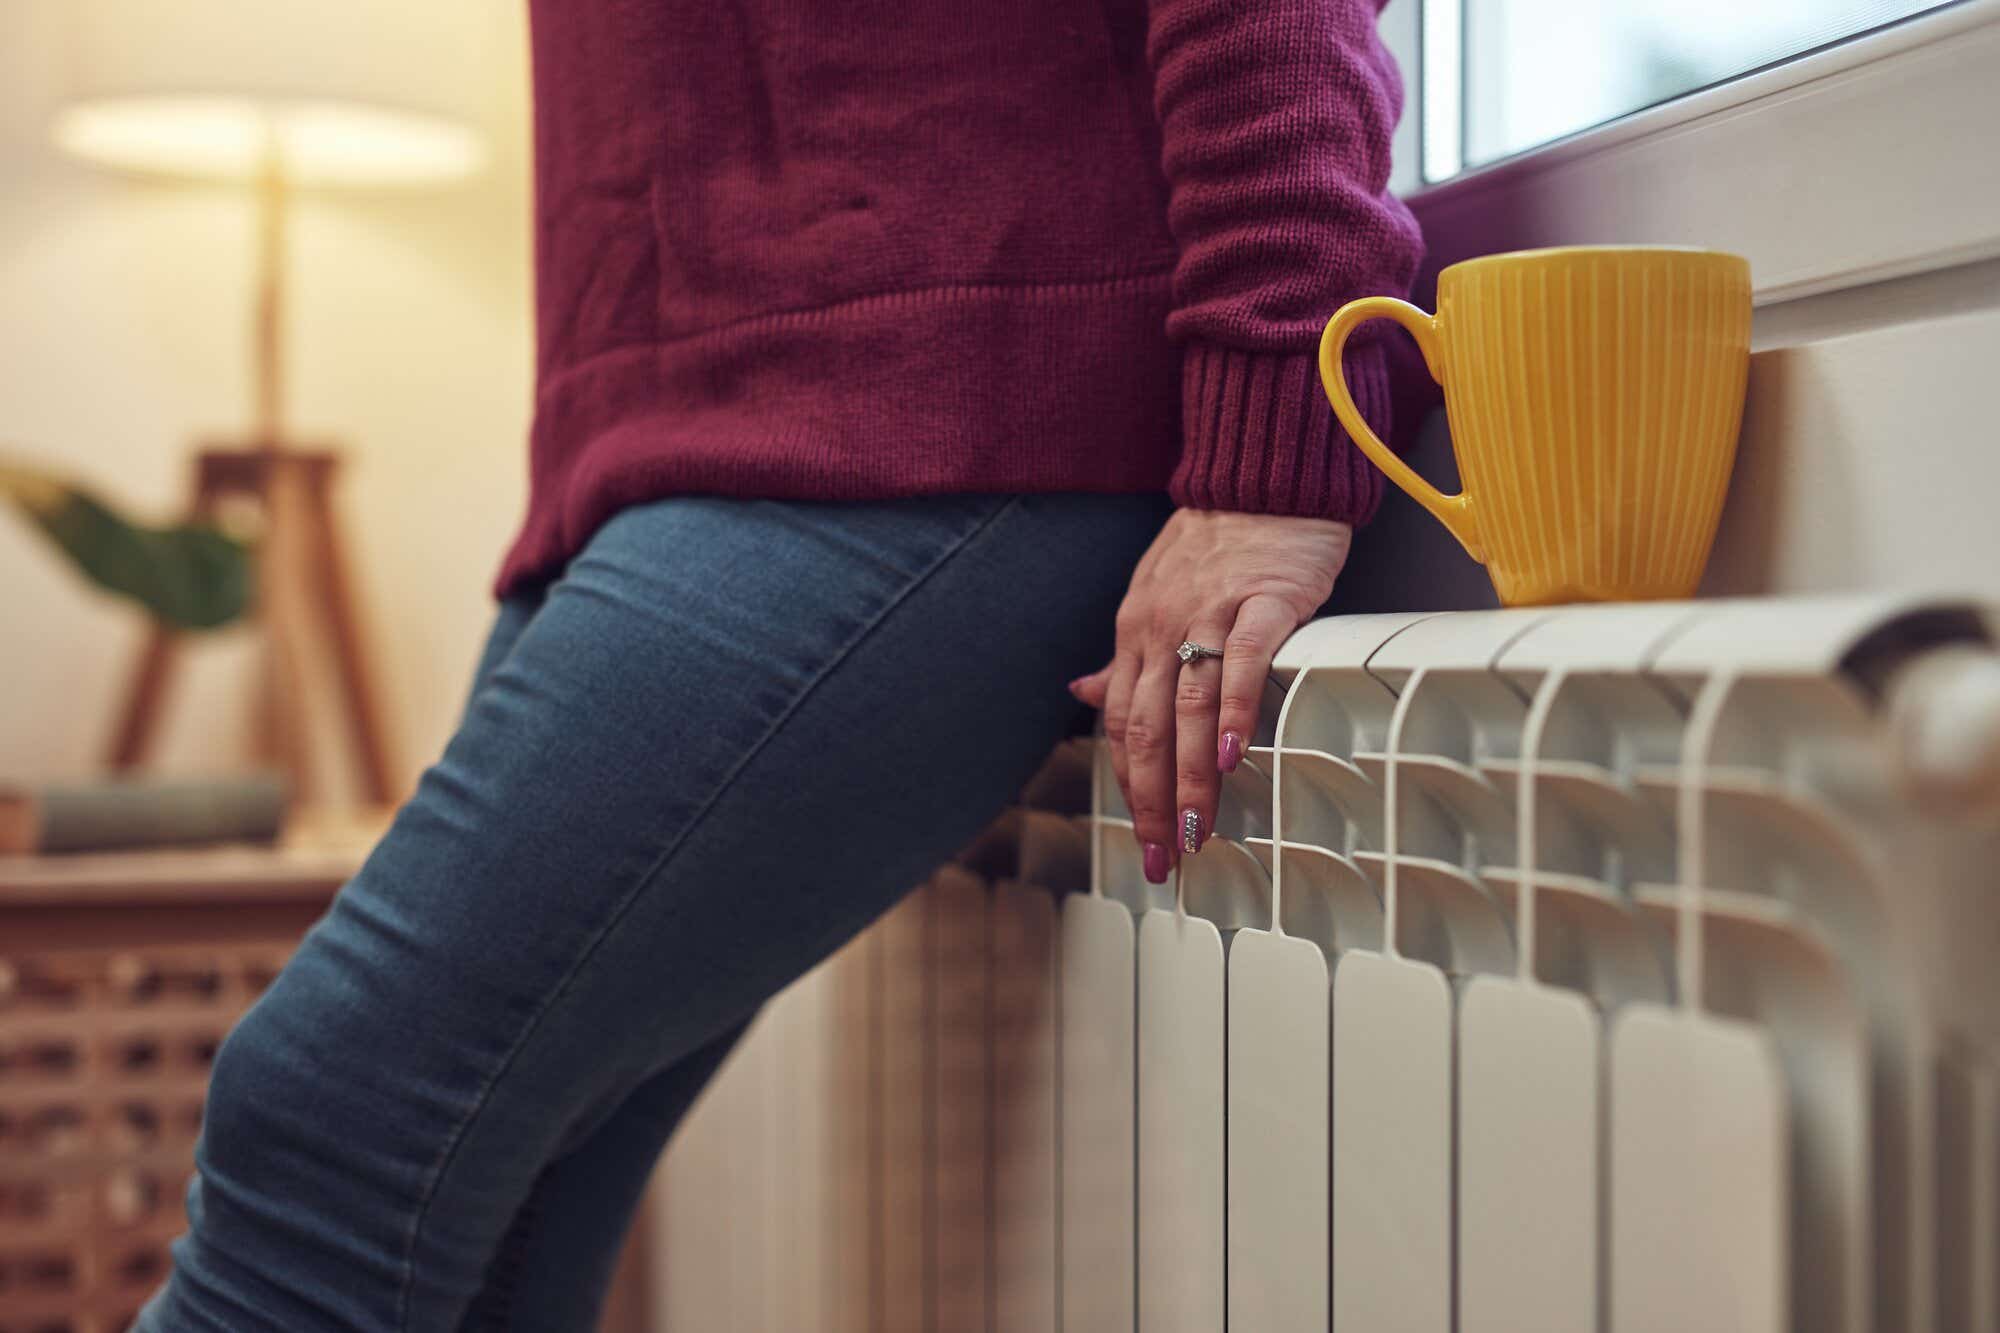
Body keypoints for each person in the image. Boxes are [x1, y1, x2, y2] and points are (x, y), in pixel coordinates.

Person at [134, 0, 1420, 1326]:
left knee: (325, 1124)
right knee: (497, 1233)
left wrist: (1285, 375)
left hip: (946, 382)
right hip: (669, 429)